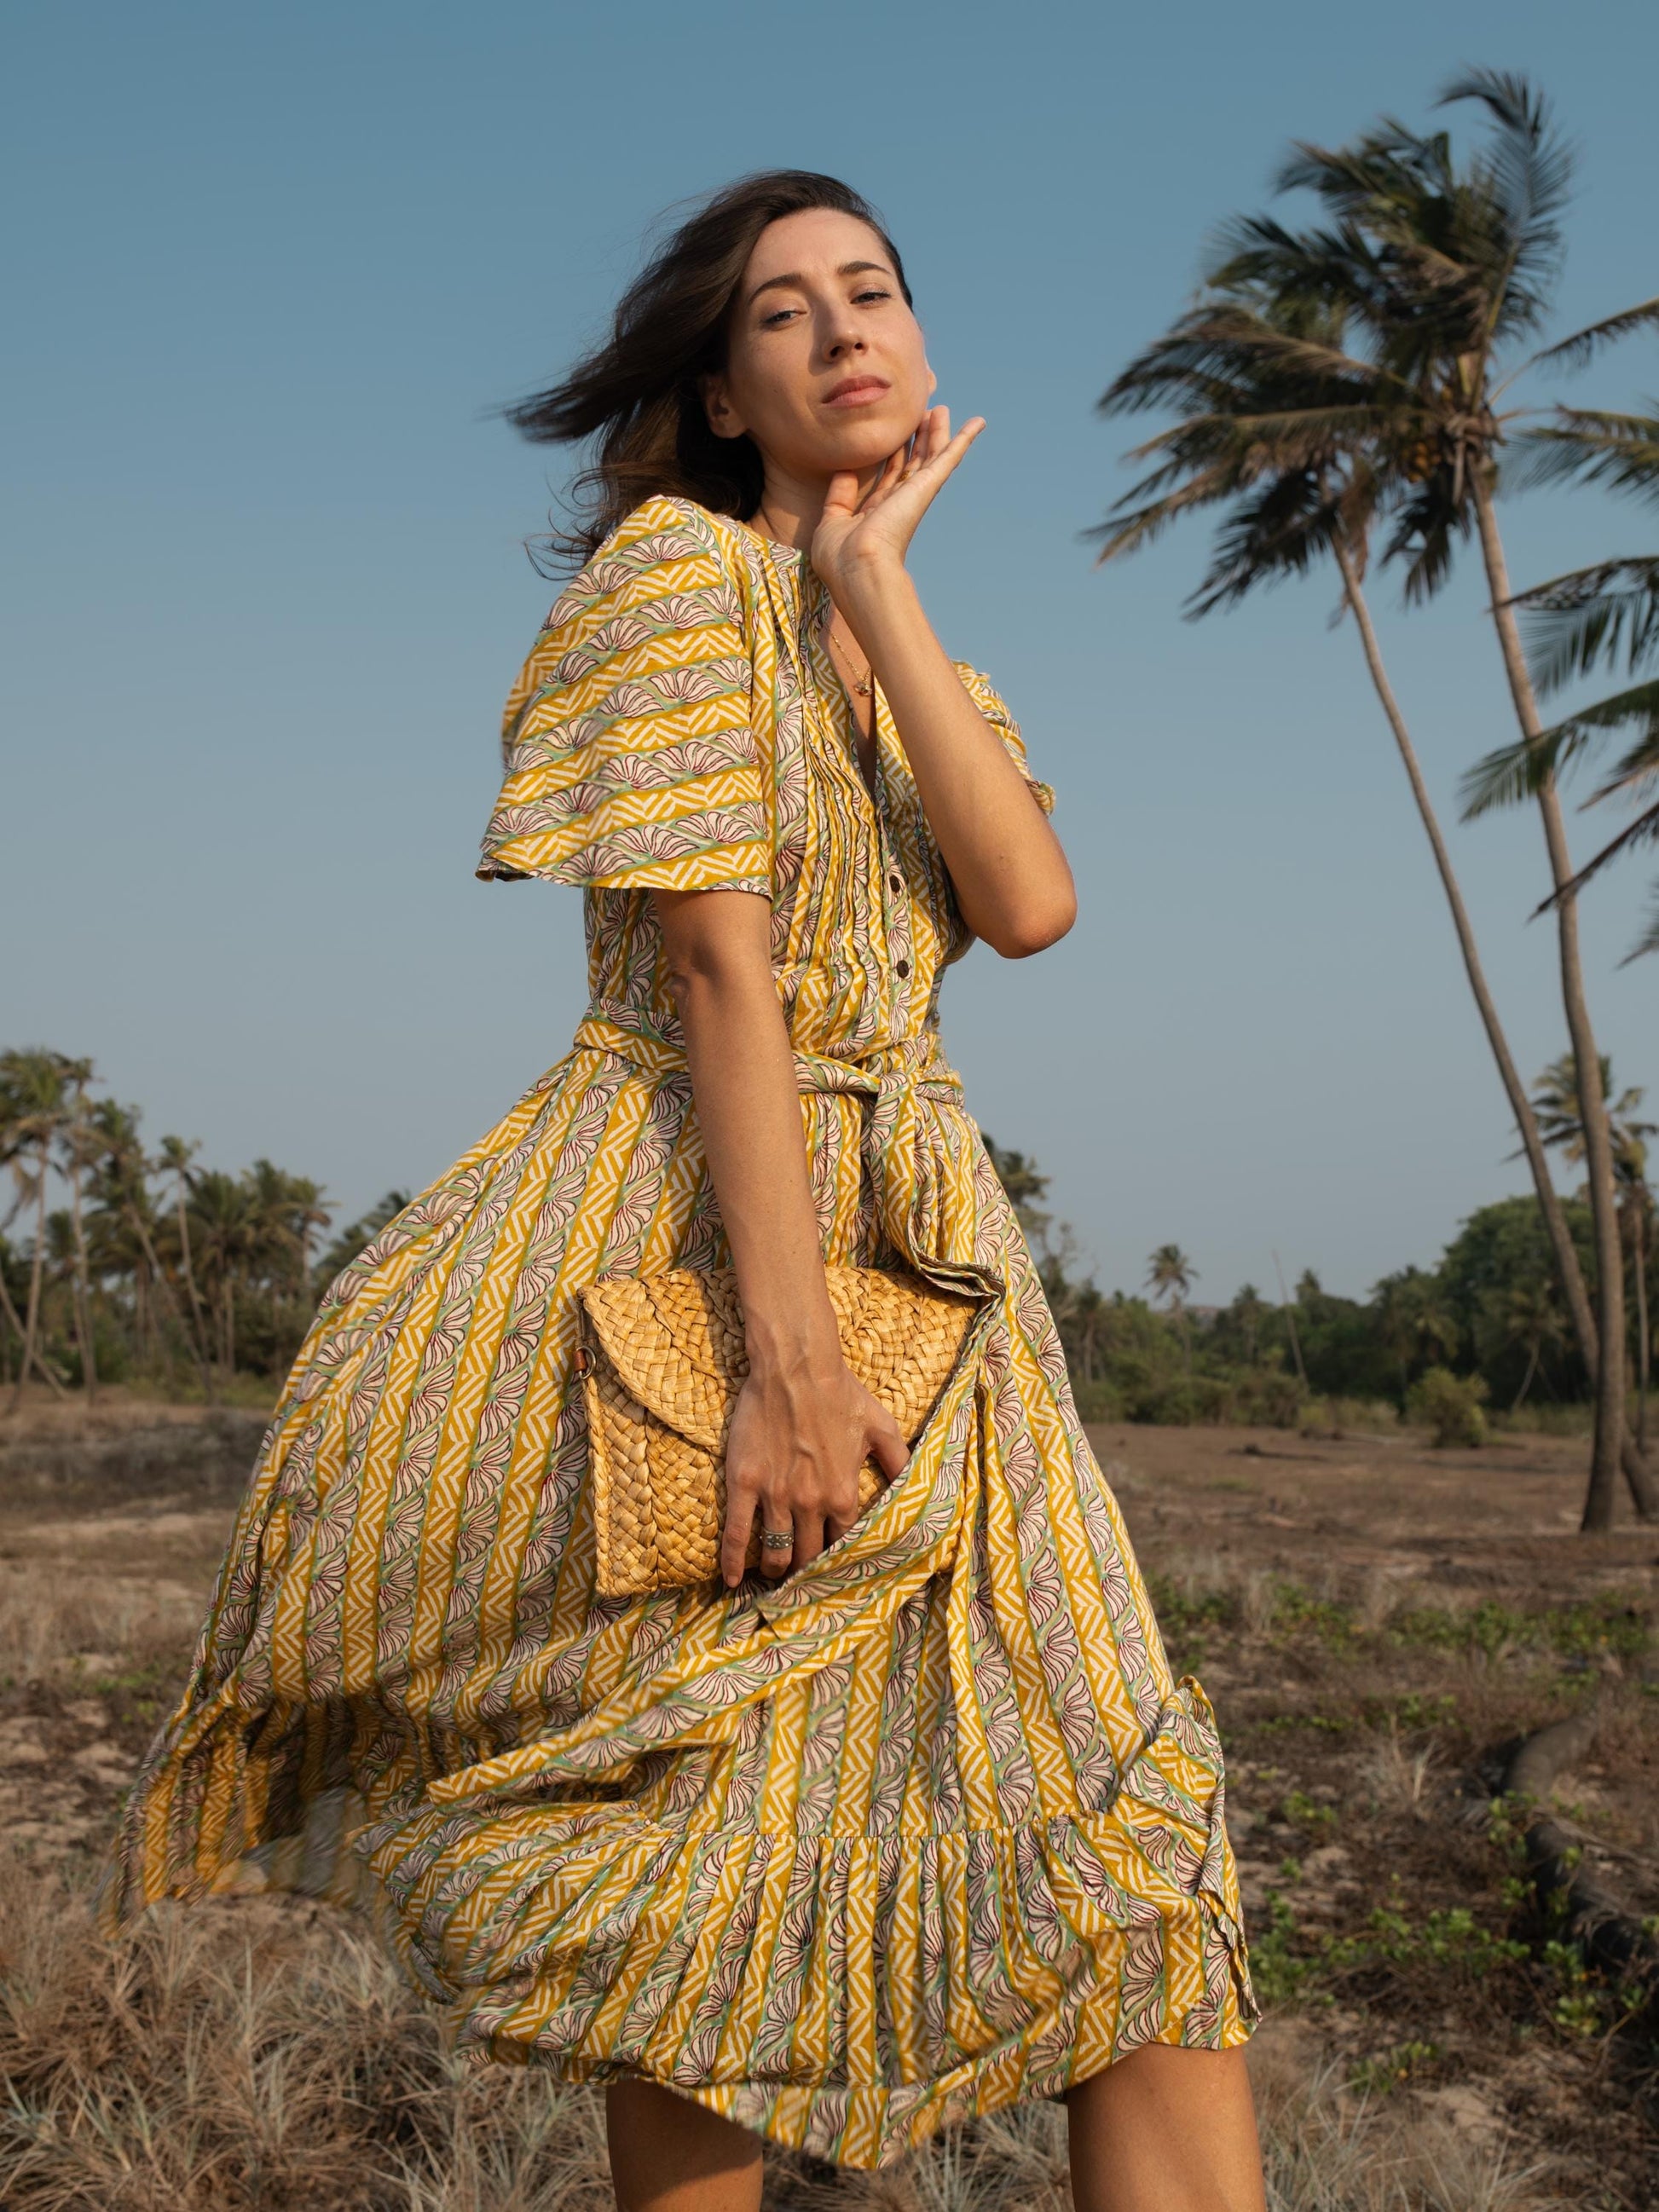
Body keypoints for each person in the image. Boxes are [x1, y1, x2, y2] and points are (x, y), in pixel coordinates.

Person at [109, 170, 1263, 2211]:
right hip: (705, 1251)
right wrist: (785, 1364)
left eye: (872, 292)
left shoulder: (913, 660)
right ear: (721, 390)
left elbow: (1029, 903)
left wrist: (881, 584)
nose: (841, 334)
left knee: (1137, 1836)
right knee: (695, 1866)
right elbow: (722, 970)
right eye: (782, 315)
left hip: (949, 1268)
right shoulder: (669, 580)